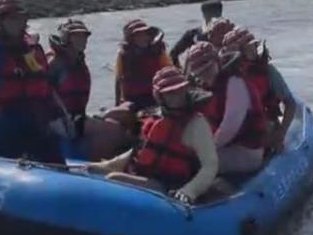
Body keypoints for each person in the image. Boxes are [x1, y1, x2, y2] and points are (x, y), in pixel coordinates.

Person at [89, 66, 218, 204]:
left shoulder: (196, 124)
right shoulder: (156, 118)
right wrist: (109, 165)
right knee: (96, 171)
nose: (177, 96)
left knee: (113, 179)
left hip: (169, 186)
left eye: (180, 90)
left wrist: (188, 191)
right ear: (160, 96)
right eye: (171, 93)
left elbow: (210, 165)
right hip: (145, 177)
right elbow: (138, 152)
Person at [0, 0, 65, 164]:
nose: (15, 23)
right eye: (10, 19)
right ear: (0, 22)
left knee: (55, 159)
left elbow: (45, 86)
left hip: (36, 119)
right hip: (6, 124)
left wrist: (58, 117)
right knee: (13, 161)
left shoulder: (30, 48)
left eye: (19, 18)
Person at [183, 40, 266, 174]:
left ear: (218, 62)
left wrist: (206, 150)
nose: (205, 74)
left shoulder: (235, 83)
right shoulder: (204, 88)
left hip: (246, 151)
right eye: (200, 72)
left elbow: (230, 127)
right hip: (223, 147)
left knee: (189, 164)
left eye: (208, 68)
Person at [221, 28, 297, 154]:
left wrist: (281, 133)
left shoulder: (268, 72)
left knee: (265, 128)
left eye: (254, 46)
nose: (255, 50)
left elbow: (290, 103)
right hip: (234, 130)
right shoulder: (223, 76)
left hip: (264, 126)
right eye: (249, 47)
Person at [113, 19, 172, 109]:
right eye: (138, 35)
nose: (143, 38)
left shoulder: (158, 51)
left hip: (157, 95)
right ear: (131, 39)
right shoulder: (123, 54)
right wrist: (117, 103)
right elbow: (118, 79)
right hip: (133, 99)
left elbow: (169, 70)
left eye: (145, 34)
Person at [47, 19, 92, 133]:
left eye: (84, 36)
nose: (83, 40)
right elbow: (45, 94)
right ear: (67, 39)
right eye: (77, 37)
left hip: (77, 117)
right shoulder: (55, 62)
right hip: (57, 121)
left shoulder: (79, 61)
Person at [170, 0, 223, 67]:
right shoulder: (193, 35)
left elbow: (173, 54)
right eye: (210, 14)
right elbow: (173, 54)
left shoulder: (230, 33)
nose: (213, 18)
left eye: (215, 14)